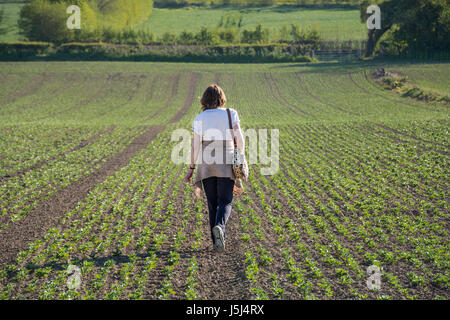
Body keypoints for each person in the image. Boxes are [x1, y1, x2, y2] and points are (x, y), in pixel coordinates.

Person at [183, 84, 247, 252]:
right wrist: (241, 157)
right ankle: (220, 226)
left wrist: (191, 168)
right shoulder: (230, 113)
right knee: (225, 201)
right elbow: (240, 140)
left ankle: (216, 242)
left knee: (212, 204)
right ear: (222, 98)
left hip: (206, 162)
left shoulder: (199, 118)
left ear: (204, 100)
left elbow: (195, 146)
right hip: (226, 160)